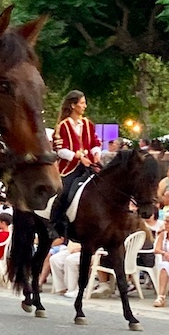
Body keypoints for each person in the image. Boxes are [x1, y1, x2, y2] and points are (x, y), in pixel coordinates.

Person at [50, 90, 101, 236]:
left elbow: (95, 142)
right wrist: (78, 157)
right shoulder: (62, 126)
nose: (85, 106)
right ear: (73, 105)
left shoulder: (87, 124)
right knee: (65, 191)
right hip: (70, 168)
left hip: (90, 166)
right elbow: (61, 150)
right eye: (82, 103)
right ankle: (55, 222)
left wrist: (96, 153)